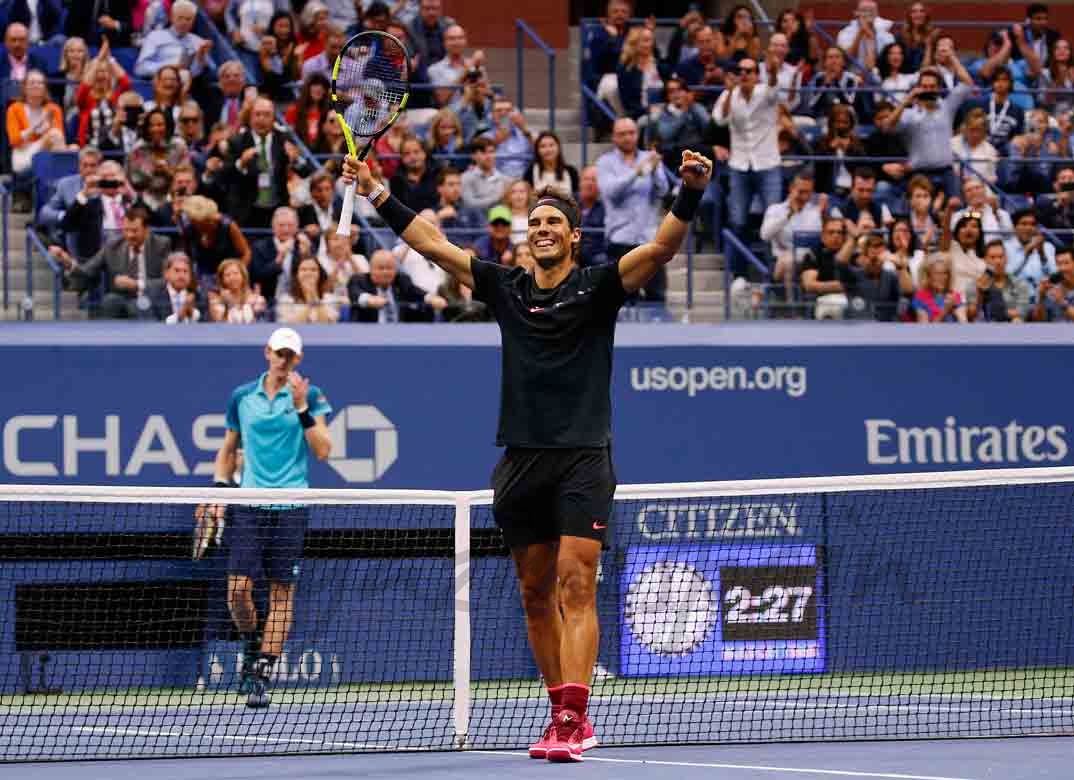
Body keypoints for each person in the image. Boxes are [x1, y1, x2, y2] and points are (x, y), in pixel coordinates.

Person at [341, 140, 713, 762]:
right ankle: (557, 711)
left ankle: (576, 716)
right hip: (520, 462)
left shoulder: (599, 288)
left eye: (552, 224)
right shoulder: (506, 288)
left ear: (572, 238)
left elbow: (661, 248)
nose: (540, 229)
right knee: (534, 593)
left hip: (583, 458)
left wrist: (692, 190)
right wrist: (376, 192)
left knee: (577, 582)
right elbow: (431, 244)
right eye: (533, 223)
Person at [206, 327, 332, 708]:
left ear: (298, 359)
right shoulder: (242, 397)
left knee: (281, 595)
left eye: (290, 355)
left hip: (291, 506)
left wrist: (301, 409)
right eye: (279, 353)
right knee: (238, 591)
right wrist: (216, 493)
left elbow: (324, 451)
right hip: (249, 503)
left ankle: (259, 672)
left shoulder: (309, 395)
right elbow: (228, 449)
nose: (284, 360)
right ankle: (249, 641)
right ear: (267, 353)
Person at [713, 56, 782, 279]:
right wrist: (729, 93)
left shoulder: (765, 92)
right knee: (737, 221)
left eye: (750, 70)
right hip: (740, 164)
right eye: (741, 70)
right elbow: (720, 120)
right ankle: (737, 275)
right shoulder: (729, 94)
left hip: (768, 163)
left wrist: (772, 71)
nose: (744, 74)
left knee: (773, 221)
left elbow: (774, 89)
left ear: (756, 74)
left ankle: (772, 276)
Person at [595, 117, 671, 301]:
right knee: (622, 300)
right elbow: (610, 191)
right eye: (622, 134)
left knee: (657, 297)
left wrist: (654, 171)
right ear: (614, 137)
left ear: (637, 135)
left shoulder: (650, 158)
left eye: (631, 133)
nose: (627, 138)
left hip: (649, 240)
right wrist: (635, 173)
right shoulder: (605, 162)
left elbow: (663, 191)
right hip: (620, 240)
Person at [54, 207, 171, 319]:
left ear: (146, 230)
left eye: (135, 231)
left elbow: (168, 280)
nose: (130, 235)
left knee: (139, 307)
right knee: (110, 301)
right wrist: (68, 262)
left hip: (150, 297)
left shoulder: (161, 245)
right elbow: (87, 271)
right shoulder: (112, 246)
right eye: (126, 230)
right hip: (121, 298)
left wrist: (137, 285)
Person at [876, 69, 974, 199]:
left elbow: (968, 84)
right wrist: (907, 100)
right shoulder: (909, 115)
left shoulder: (947, 107)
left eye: (932, 87)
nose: (928, 90)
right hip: (920, 173)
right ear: (918, 88)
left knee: (956, 204)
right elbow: (887, 127)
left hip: (946, 172)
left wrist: (951, 57)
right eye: (924, 87)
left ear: (939, 88)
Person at [228, 97, 314, 229]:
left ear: (274, 119)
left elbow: (307, 172)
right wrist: (241, 163)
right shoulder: (238, 142)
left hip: (277, 210)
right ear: (250, 117)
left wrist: (296, 159)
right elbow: (226, 176)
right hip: (247, 211)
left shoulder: (284, 138)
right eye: (257, 114)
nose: (261, 119)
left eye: (267, 115)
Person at [760, 173, 825, 297]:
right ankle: (792, 306)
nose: (805, 197)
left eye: (808, 192)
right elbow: (765, 235)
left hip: (807, 258)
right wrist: (788, 214)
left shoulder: (814, 212)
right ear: (791, 189)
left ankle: (789, 306)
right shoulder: (775, 210)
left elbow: (813, 238)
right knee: (787, 261)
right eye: (801, 192)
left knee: (789, 261)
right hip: (778, 259)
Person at [347, 248, 445, 322]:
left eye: (389, 268)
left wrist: (431, 298)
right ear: (371, 269)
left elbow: (414, 291)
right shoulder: (359, 280)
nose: (385, 272)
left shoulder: (402, 280)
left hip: (400, 334)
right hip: (368, 335)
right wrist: (369, 300)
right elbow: (355, 294)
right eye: (381, 268)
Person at [837, 231, 913, 321]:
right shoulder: (854, 275)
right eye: (873, 259)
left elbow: (908, 291)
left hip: (885, 326)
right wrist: (854, 238)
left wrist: (900, 267)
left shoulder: (890, 277)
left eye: (880, 259)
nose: (877, 263)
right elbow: (840, 263)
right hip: (858, 325)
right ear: (863, 257)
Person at [179, 195, 251, 287]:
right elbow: (187, 256)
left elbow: (246, 253)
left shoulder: (227, 225)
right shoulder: (188, 227)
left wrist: (237, 273)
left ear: (207, 220)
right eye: (191, 221)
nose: (191, 222)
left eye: (196, 222)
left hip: (228, 275)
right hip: (201, 276)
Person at [135, 0, 216, 81]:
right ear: (171, 18)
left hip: (189, 85)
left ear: (193, 21)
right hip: (160, 82)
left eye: (188, 19)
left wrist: (200, 58)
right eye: (180, 18)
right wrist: (170, 67)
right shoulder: (155, 36)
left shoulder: (198, 42)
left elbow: (209, 73)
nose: (184, 22)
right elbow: (140, 68)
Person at [6, 69, 66, 180]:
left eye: (40, 83)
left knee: (74, 149)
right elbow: (14, 141)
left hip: (49, 153)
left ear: (45, 88)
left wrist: (49, 125)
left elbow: (60, 138)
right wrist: (36, 126)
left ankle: (61, 184)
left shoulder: (54, 109)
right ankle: (60, 183)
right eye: (32, 82)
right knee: (54, 135)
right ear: (24, 88)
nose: (36, 85)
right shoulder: (14, 109)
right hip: (23, 155)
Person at [250, 206, 310, 303]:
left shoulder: (303, 245)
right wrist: (279, 260)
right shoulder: (260, 247)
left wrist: (306, 255)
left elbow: (313, 275)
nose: (285, 229)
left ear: (297, 227)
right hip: (268, 300)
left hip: (298, 300)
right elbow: (256, 276)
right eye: (281, 225)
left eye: (290, 225)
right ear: (273, 226)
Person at [966, 240, 1032, 322]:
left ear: (1006, 259)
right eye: (992, 257)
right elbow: (971, 317)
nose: (997, 262)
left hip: (1012, 329)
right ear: (985, 260)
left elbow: (1023, 312)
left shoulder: (1020, 284)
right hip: (984, 329)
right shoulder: (974, 285)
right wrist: (980, 293)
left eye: (1001, 257)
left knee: (1017, 320)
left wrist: (999, 312)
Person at [799, 217, 852, 319]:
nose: (836, 236)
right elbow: (809, 285)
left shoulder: (853, 253)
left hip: (852, 299)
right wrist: (841, 286)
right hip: (824, 299)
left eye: (839, 232)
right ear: (823, 236)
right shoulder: (813, 255)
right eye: (831, 232)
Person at [275, 256, 342, 323]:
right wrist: (310, 304)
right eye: (303, 270)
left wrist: (315, 296)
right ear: (297, 274)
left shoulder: (330, 299)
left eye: (313, 270)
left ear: (319, 274)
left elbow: (327, 325)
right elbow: (290, 327)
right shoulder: (286, 300)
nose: (308, 273)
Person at [1004, 208, 1056, 292]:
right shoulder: (1005, 247)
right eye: (1024, 224)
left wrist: (1042, 255)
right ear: (1014, 227)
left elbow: (1054, 276)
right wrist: (1025, 254)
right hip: (1015, 298)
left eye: (1033, 224)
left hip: (1041, 299)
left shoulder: (1047, 247)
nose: (1028, 228)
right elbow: (1006, 276)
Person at [148, 252, 206, 323]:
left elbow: (206, 323)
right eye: (177, 271)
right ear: (166, 273)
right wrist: (178, 317)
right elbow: (150, 324)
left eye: (185, 271)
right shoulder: (153, 295)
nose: (181, 276)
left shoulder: (199, 295)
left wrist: (193, 313)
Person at [836, 0, 895, 67]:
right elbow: (845, 60)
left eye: (871, 10)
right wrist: (860, 33)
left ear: (877, 14)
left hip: (880, 74)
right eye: (864, 10)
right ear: (856, 13)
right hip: (853, 74)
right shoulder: (845, 33)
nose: (868, 13)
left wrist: (872, 39)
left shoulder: (886, 35)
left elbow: (890, 61)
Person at [913, 253, 967, 322]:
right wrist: (945, 310)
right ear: (928, 276)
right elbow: (925, 330)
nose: (941, 277)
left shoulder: (954, 296)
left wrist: (958, 313)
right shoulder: (920, 297)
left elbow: (964, 323)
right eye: (937, 273)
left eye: (944, 273)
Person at [461, 135, 509, 212]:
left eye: (491, 152)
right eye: (483, 152)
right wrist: (497, 197)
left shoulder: (505, 179)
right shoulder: (466, 178)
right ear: (474, 156)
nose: (488, 156)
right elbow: (469, 204)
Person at [525, 131, 579, 197]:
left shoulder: (571, 171)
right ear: (537, 150)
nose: (548, 150)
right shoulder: (531, 171)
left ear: (558, 147)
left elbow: (576, 197)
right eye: (543, 146)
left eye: (551, 145)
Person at [1032, 245, 1074, 321]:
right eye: (1059, 264)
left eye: (1066, 263)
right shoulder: (1050, 289)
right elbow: (1038, 321)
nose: (1062, 268)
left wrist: (1062, 302)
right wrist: (1041, 298)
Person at [577, 167, 606, 268]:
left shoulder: (606, 208)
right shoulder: (569, 204)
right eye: (586, 179)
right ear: (579, 182)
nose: (589, 183)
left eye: (594, 180)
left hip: (596, 255)